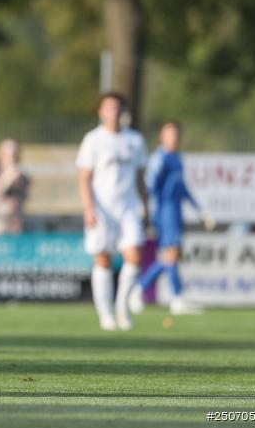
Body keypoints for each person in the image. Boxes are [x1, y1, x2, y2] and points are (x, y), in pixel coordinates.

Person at [76, 92, 148, 332]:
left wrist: (145, 204)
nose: (114, 112)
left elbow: (140, 177)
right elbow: (85, 178)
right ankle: (105, 314)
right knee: (103, 259)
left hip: (128, 207)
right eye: (109, 108)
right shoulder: (93, 139)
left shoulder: (135, 140)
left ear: (123, 111)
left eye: (117, 108)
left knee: (135, 255)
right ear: (101, 112)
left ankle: (122, 306)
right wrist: (89, 208)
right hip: (102, 209)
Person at [129, 121, 213, 316]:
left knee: (172, 255)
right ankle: (154, 292)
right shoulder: (159, 159)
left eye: (176, 135)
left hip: (175, 210)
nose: (174, 138)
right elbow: (150, 186)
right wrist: (148, 211)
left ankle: (161, 294)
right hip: (164, 210)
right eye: (170, 134)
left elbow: (182, 188)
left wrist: (199, 210)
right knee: (172, 253)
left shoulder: (177, 159)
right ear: (162, 136)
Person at [0, 139, 30, 235]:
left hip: (16, 218)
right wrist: (8, 177)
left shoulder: (22, 175)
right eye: (6, 155)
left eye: (13, 155)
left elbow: (22, 197)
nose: (10, 158)